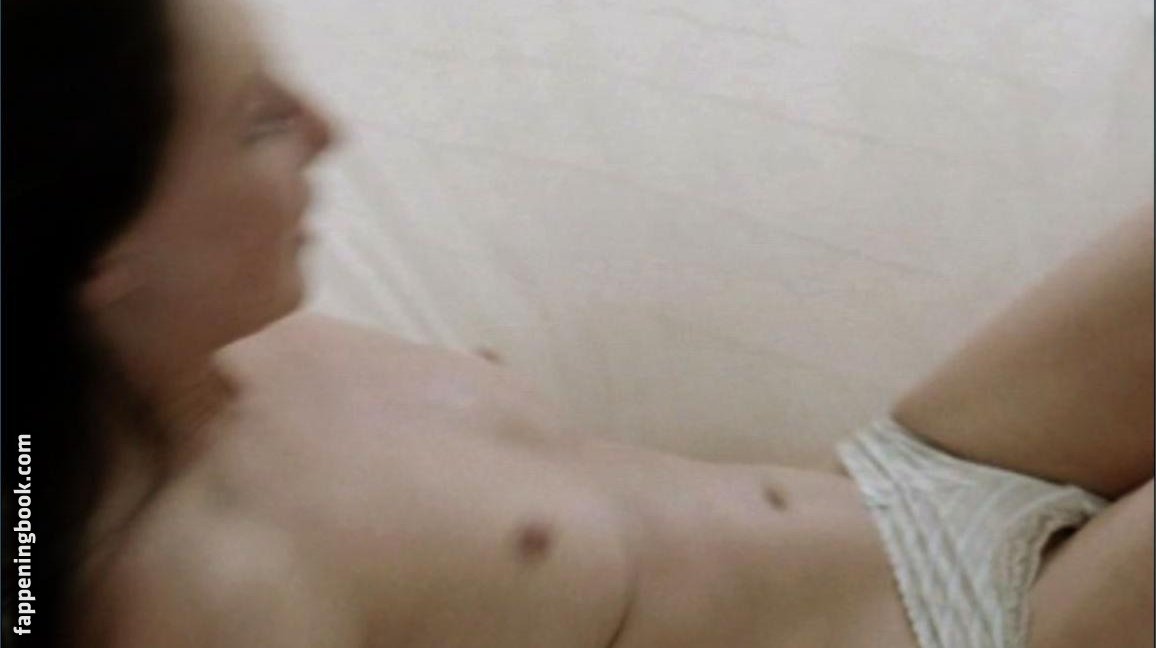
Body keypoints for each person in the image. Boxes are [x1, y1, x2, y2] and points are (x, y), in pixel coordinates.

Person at [2, 0, 1151, 646]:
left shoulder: (238, 345)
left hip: (904, 480)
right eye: (256, 124)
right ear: (107, 255)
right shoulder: (206, 607)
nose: (325, 131)